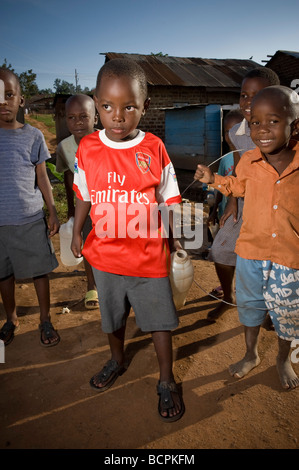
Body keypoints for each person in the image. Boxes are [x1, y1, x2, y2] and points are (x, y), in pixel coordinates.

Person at [71, 58, 185, 421]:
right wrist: (76, 228)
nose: (117, 116)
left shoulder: (154, 148)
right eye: (107, 106)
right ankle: (116, 360)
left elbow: (168, 199)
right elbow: (84, 194)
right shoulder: (88, 148)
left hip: (148, 258)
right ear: (96, 102)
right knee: (113, 318)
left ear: (145, 107)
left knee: (159, 322)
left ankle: (166, 380)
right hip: (105, 258)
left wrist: (176, 241)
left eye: (128, 107)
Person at [194, 85, 299, 390]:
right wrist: (214, 179)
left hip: (290, 259)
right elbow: (238, 187)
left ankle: (281, 359)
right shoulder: (249, 161)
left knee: (286, 315)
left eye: (274, 121)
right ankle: (251, 354)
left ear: (294, 124)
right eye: (256, 122)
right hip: (251, 254)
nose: (263, 130)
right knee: (250, 308)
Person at [206, 67, 280, 322]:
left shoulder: (286, 129)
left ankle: (271, 307)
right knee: (221, 249)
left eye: (256, 95)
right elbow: (239, 169)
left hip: (277, 206)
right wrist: (232, 202)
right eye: (244, 95)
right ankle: (228, 296)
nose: (248, 102)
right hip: (245, 200)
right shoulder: (238, 131)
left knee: (272, 260)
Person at [0, 68, 60, 347]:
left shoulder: (33, 136)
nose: (3, 102)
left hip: (30, 218)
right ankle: (11, 318)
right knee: (3, 273)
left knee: (39, 271)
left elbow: (42, 177)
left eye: (9, 95)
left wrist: (52, 210)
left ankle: (45, 319)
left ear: (21, 100)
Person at [56, 94, 99, 309]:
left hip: (108, 205)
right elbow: (67, 176)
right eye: (71, 117)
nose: (78, 122)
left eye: (84, 116)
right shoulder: (64, 147)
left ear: (95, 118)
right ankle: (92, 286)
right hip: (84, 205)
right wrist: (71, 209)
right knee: (88, 244)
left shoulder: (108, 141)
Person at [207, 109, 243, 299]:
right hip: (225, 212)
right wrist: (214, 211)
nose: (230, 136)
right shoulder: (226, 158)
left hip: (242, 212)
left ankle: (237, 289)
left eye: (236, 131)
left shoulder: (251, 155)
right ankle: (227, 289)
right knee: (224, 251)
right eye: (226, 132)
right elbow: (219, 189)